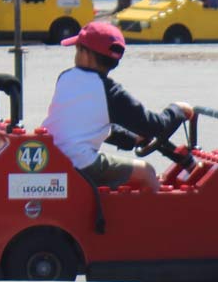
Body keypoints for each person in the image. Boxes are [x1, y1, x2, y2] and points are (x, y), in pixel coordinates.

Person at [42, 19, 195, 192]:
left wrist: (130, 139)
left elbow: (90, 122)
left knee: (133, 172)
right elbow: (155, 126)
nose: (75, 54)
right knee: (147, 172)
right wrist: (177, 110)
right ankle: (153, 218)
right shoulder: (109, 92)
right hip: (80, 163)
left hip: (55, 156)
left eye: (77, 49)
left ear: (86, 54)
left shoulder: (66, 77)